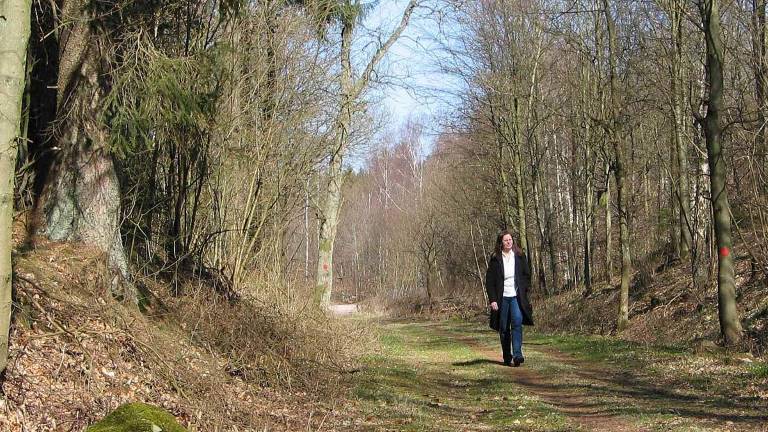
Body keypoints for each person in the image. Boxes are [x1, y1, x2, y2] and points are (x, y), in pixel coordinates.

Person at [485, 230, 533, 367]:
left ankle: (518, 355)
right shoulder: (495, 259)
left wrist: (524, 289)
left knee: (517, 322)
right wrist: (493, 299)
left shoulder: (519, 255)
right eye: (505, 240)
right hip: (502, 297)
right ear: (501, 243)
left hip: (516, 296)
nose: (508, 242)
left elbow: (526, 274)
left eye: (510, 240)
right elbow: (490, 281)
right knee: (504, 327)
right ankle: (507, 356)